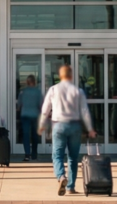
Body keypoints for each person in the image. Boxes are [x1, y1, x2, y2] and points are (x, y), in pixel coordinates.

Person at [38, 64, 96, 195]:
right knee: (73, 157)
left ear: (60, 76)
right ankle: (70, 187)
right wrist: (90, 128)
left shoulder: (53, 89)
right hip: (75, 125)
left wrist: (42, 125)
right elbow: (84, 111)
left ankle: (61, 176)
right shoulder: (78, 91)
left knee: (57, 155)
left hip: (58, 125)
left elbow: (45, 109)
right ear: (71, 76)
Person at [17, 74, 42, 161]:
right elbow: (41, 105)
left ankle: (27, 154)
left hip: (25, 115)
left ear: (27, 82)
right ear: (34, 82)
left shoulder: (22, 92)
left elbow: (19, 105)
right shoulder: (38, 92)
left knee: (26, 135)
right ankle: (34, 154)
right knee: (35, 136)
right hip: (35, 115)